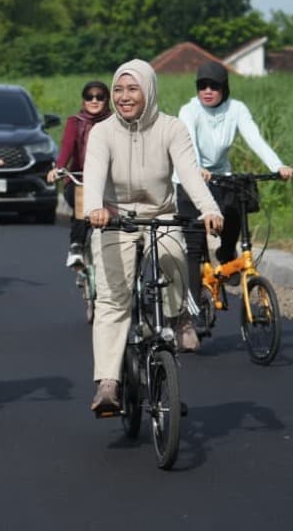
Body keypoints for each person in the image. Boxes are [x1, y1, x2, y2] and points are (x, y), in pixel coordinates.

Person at [83, 60, 223, 413]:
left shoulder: (171, 128)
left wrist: (209, 209)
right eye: (119, 90)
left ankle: (177, 317)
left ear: (149, 90)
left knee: (175, 257)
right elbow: (95, 175)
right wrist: (95, 208)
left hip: (160, 215)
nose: (124, 97)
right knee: (113, 299)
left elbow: (190, 175)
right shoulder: (103, 131)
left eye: (133, 89)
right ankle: (108, 382)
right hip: (114, 219)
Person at [174, 61, 293, 300]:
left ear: (225, 88)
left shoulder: (236, 109)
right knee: (195, 244)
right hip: (189, 176)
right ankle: (194, 305)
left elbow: (255, 138)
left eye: (214, 86)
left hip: (220, 174)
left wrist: (277, 166)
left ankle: (226, 254)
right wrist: (197, 167)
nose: (207, 91)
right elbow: (189, 140)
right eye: (202, 86)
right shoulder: (189, 111)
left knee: (236, 206)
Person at [46, 80, 112, 268]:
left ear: (106, 100)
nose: (94, 101)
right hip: (79, 179)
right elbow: (67, 148)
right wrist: (58, 169)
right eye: (89, 97)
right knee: (83, 199)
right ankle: (76, 247)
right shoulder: (75, 122)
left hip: (107, 180)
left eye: (99, 97)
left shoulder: (114, 123)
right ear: (83, 101)